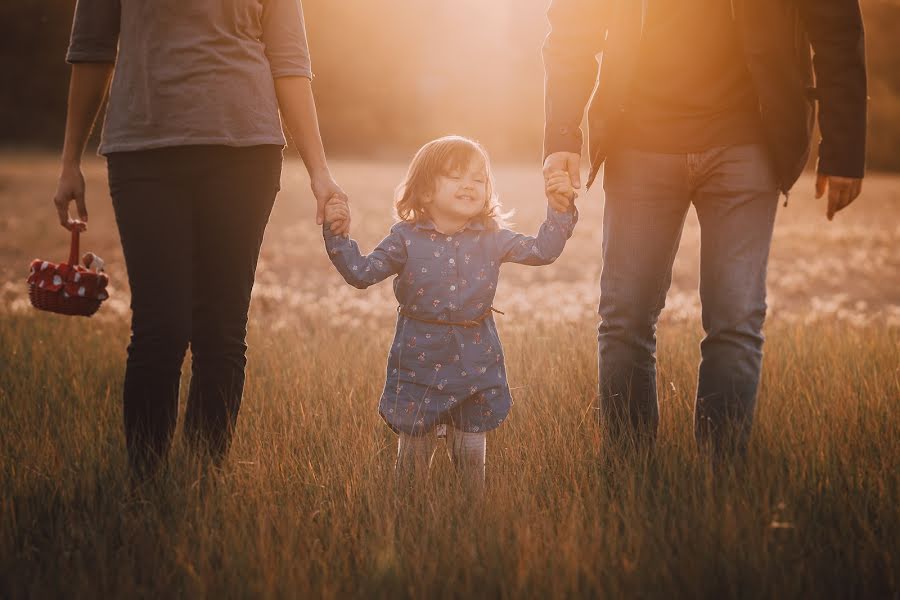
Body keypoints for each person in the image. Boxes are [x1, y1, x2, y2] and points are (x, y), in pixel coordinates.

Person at [541, 0, 867, 458]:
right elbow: (574, 25)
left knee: (736, 319)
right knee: (625, 318)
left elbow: (835, 27)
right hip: (639, 141)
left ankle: (722, 480)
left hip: (749, 141)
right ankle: (629, 475)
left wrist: (846, 146)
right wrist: (561, 134)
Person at [53, 0, 348, 476]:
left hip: (245, 155)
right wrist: (69, 160)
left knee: (222, 331)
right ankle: (144, 485)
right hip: (144, 152)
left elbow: (290, 63)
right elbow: (91, 49)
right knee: (160, 328)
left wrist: (319, 171)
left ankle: (201, 482)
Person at [321, 135, 577, 488]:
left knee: (472, 451)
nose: (470, 185)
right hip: (418, 358)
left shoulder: (492, 237)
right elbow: (361, 273)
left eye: (479, 178)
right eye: (456, 176)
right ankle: (407, 516)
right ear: (425, 192)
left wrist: (560, 208)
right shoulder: (405, 239)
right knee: (412, 454)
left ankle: (472, 517)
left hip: (476, 357)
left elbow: (542, 250)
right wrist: (337, 235)